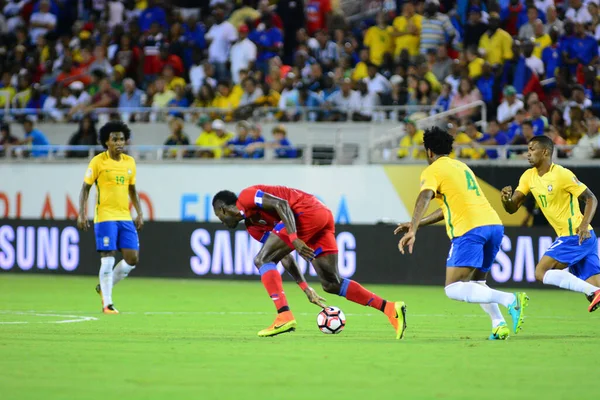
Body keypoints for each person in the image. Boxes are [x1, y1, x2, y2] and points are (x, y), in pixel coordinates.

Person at [212, 186, 406, 339]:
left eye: (218, 215)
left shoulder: (247, 196)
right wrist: (305, 287)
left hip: (306, 212)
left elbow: (283, 205)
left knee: (261, 259)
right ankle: (390, 308)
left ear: (222, 209)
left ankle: (284, 315)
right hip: (321, 217)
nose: (220, 220)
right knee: (331, 283)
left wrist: (294, 237)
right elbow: (284, 256)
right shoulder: (253, 228)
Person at [396, 126, 528, 340]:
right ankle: (498, 324)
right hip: (494, 225)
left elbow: (425, 196)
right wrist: (417, 225)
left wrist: (412, 226)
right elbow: (446, 208)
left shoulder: (432, 170)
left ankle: (510, 300)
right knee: (478, 283)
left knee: (453, 288)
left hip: (470, 229)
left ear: (429, 151)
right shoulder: (461, 167)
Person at [501, 136, 600, 311]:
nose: (528, 154)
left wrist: (584, 224)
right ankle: (594, 292)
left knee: (541, 272)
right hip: (580, 238)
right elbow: (512, 208)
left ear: (545, 151)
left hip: (575, 235)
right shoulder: (528, 176)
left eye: (532, 149)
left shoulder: (562, 174)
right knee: (596, 287)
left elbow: (591, 198)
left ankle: (593, 292)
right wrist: (506, 200)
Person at [77, 121, 144, 314]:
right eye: (115, 139)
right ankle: (107, 303)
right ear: (106, 141)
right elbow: (85, 189)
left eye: (122, 139)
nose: (119, 142)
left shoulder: (130, 162)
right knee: (107, 259)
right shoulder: (98, 161)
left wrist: (139, 213)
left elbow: (132, 190)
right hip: (105, 216)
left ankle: (103, 287)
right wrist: (81, 213)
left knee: (132, 259)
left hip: (125, 216)